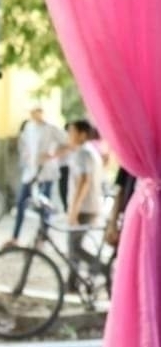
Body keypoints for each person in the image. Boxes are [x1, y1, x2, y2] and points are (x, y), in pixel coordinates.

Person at [6, 105, 66, 244]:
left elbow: (66, 143)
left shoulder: (51, 128)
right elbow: (25, 147)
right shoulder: (29, 128)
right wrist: (27, 159)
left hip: (47, 170)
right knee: (21, 203)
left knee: (45, 205)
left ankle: (42, 238)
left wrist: (53, 155)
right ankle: (15, 237)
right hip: (31, 171)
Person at [65, 117, 105, 289]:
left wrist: (74, 209)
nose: (69, 135)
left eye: (72, 132)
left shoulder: (84, 153)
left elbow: (84, 181)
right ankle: (72, 283)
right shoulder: (88, 152)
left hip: (84, 207)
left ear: (82, 134)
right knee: (74, 247)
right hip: (87, 206)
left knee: (74, 247)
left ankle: (100, 268)